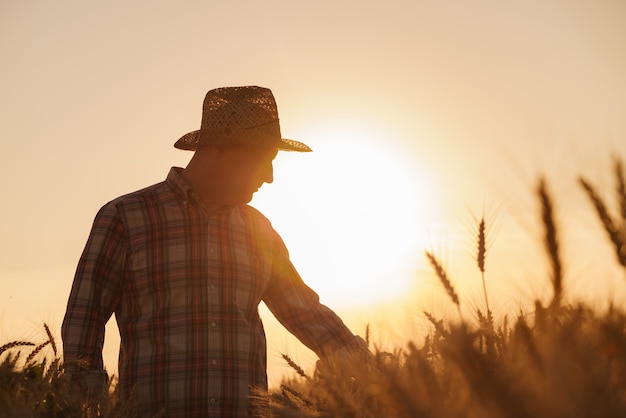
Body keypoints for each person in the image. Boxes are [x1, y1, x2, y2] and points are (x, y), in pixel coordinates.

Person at [61, 86, 366, 417]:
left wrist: (383, 373)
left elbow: (305, 312)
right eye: (263, 160)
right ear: (219, 149)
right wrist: (88, 406)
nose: (271, 177)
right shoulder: (125, 217)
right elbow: (84, 321)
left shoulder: (259, 230)